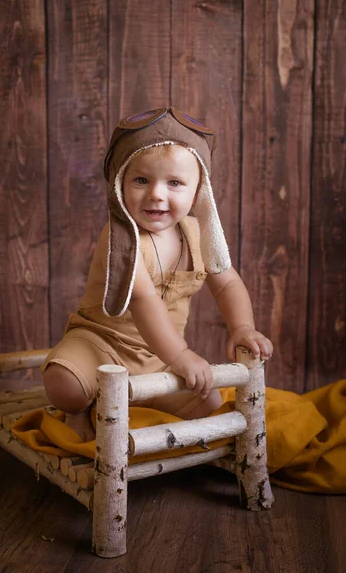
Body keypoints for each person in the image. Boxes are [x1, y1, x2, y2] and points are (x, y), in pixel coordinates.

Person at [41, 107, 273, 441]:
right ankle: (82, 407)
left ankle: (124, 406)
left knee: (209, 404)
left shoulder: (198, 234)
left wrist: (242, 327)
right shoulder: (120, 237)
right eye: (141, 180)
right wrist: (181, 356)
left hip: (159, 358)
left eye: (175, 183)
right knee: (64, 382)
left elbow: (227, 283)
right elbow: (142, 297)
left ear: (198, 191)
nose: (156, 194)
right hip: (101, 344)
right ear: (121, 183)